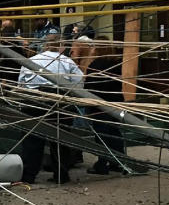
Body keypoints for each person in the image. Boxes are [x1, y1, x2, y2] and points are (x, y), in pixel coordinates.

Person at [17, 33, 83, 184]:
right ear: (61, 46)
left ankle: (29, 176)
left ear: (45, 45)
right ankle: (61, 175)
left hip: (35, 100)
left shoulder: (32, 60)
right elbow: (79, 82)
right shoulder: (68, 62)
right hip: (61, 101)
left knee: (32, 140)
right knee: (60, 140)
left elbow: (21, 83)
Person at [77, 36, 129, 175]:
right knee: (114, 133)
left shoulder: (95, 65)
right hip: (115, 102)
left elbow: (89, 87)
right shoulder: (116, 63)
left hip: (99, 105)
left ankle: (102, 164)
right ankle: (118, 162)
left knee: (101, 135)